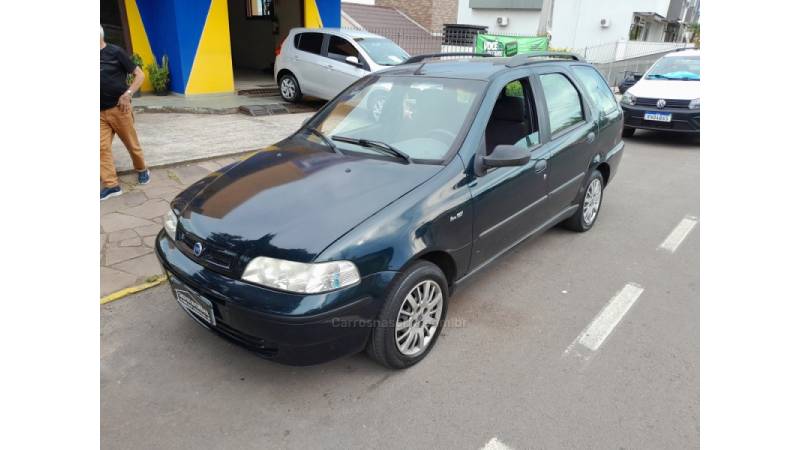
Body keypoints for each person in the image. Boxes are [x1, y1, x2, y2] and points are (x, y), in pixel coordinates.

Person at [100, 25, 150, 200]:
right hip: (98, 112)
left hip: (119, 109)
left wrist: (127, 95)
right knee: (100, 148)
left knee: (131, 144)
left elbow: (140, 75)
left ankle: (142, 169)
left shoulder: (115, 52)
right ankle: (111, 185)